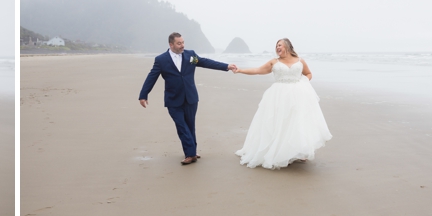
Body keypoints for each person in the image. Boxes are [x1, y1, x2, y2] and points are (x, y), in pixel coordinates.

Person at [230, 38, 333, 169]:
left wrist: (304, 83)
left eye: (280, 45)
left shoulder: (300, 61)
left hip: (298, 95)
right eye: (276, 46)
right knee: (279, 122)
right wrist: (240, 70)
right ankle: (280, 152)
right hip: (278, 96)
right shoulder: (274, 62)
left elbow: (308, 73)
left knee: (296, 122)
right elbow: (257, 70)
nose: (277, 47)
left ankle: (297, 151)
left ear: (287, 47)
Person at [138, 32, 236, 165]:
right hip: (173, 99)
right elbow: (152, 77)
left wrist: (226, 66)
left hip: (191, 97)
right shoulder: (161, 60)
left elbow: (205, 62)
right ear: (171, 44)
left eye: (183, 42)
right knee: (181, 126)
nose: (182, 45)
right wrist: (144, 95)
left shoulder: (190, 55)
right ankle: (190, 154)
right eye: (179, 43)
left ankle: (192, 151)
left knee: (190, 126)